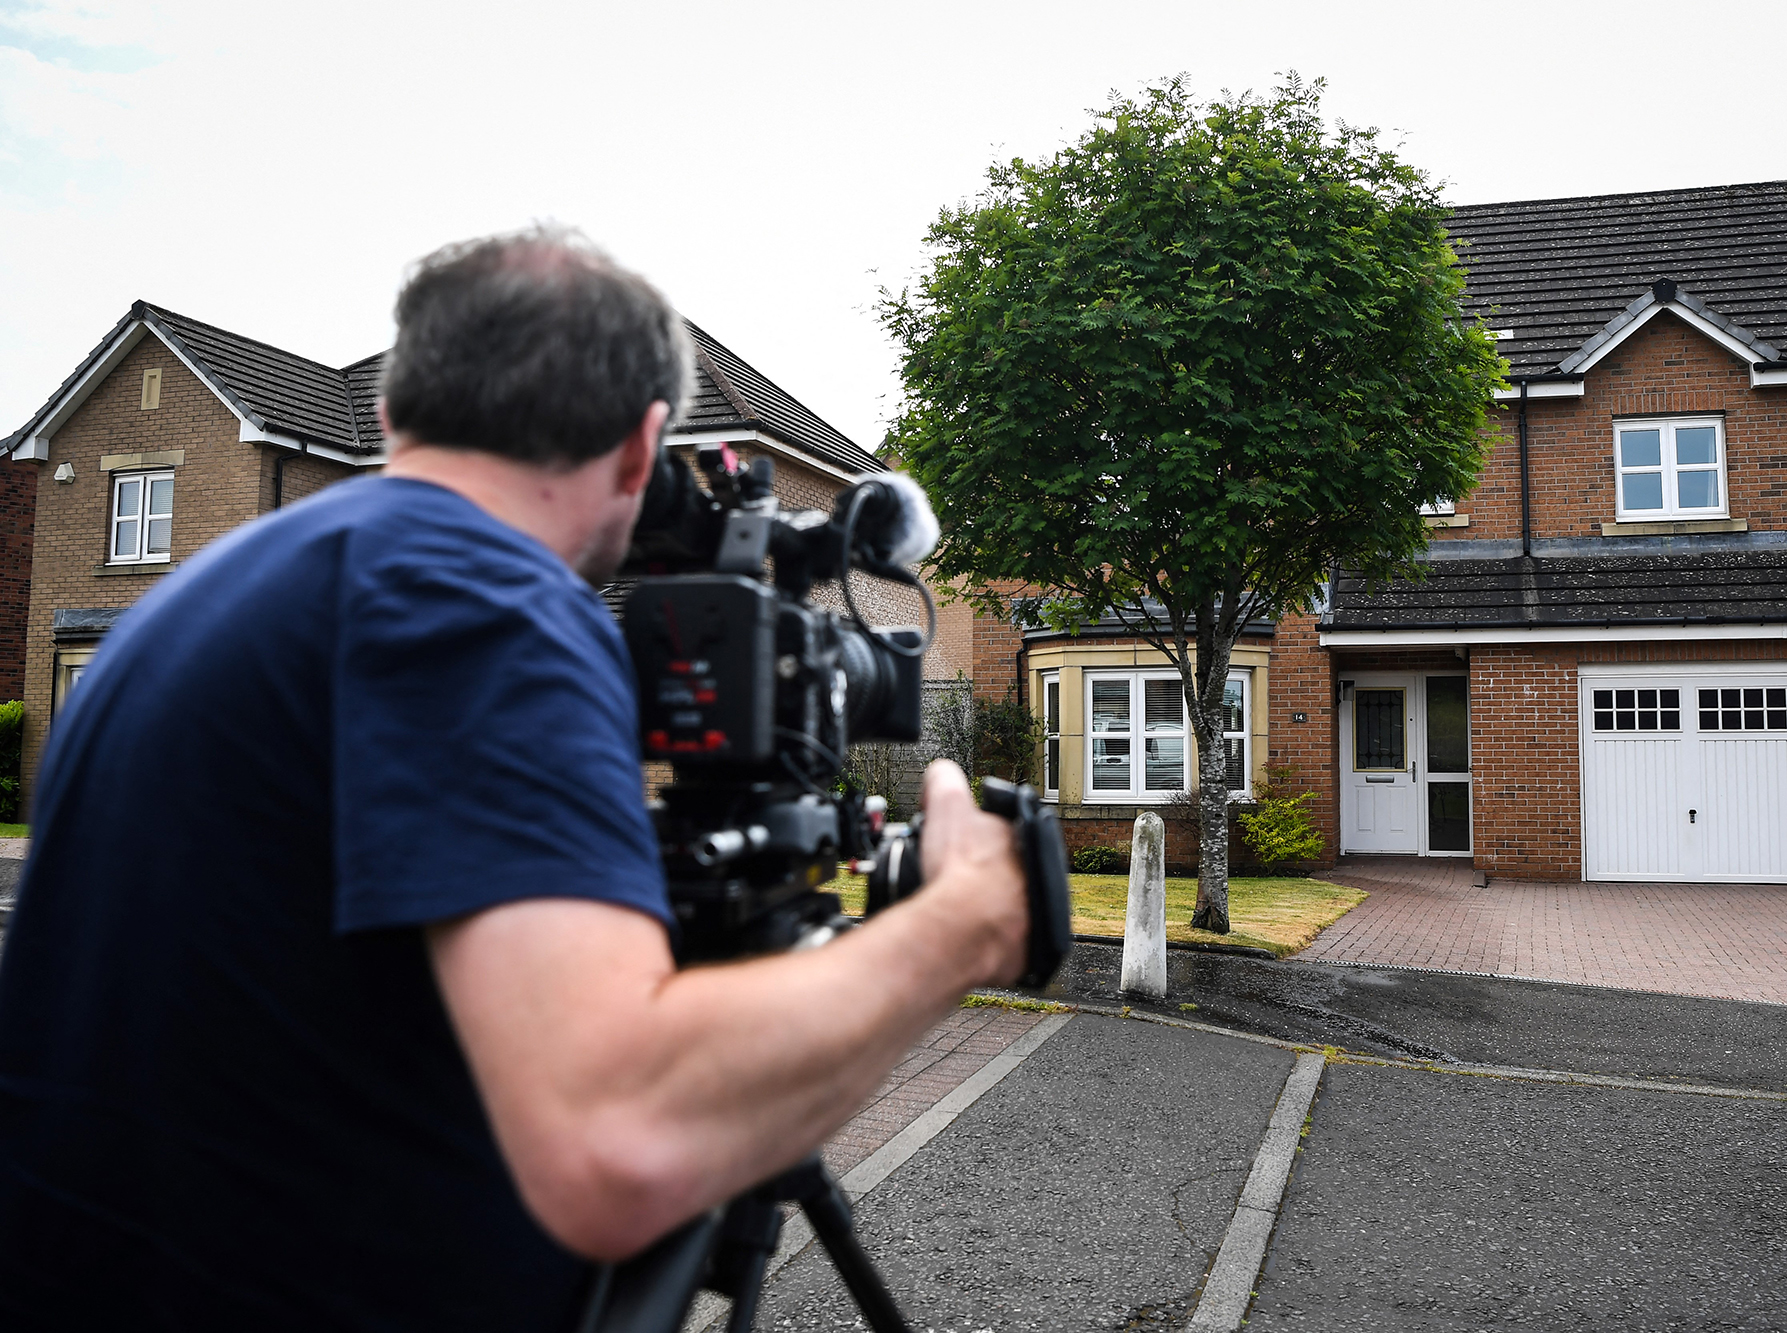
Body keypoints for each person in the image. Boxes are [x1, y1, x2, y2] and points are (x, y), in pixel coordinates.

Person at [0, 228, 1028, 1330]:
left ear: (397, 413)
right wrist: (966, 921)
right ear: (641, 448)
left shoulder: (194, 601)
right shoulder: (479, 599)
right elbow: (616, 1139)